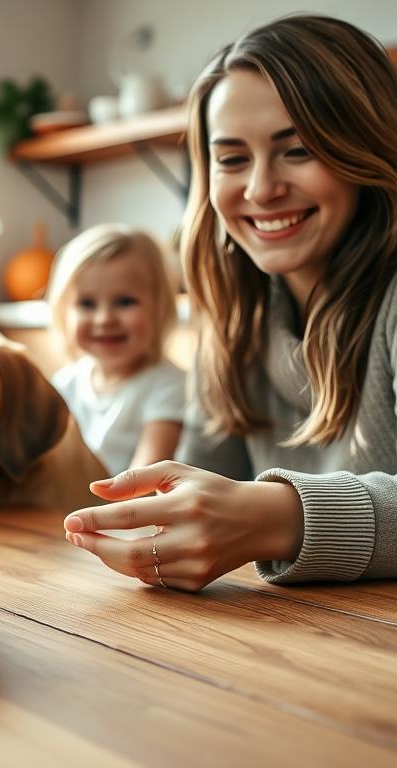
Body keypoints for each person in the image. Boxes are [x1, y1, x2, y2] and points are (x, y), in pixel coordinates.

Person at [63, 14, 397, 590]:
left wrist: (279, 518)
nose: (261, 189)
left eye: (298, 150)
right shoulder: (233, 309)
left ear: (365, 147)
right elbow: (205, 476)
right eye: (233, 159)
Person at [46, 223, 185, 475]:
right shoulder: (64, 384)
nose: (104, 319)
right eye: (87, 303)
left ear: (160, 307)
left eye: (125, 301)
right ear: (63, 311)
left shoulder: (169, 387)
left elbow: (144, 481)